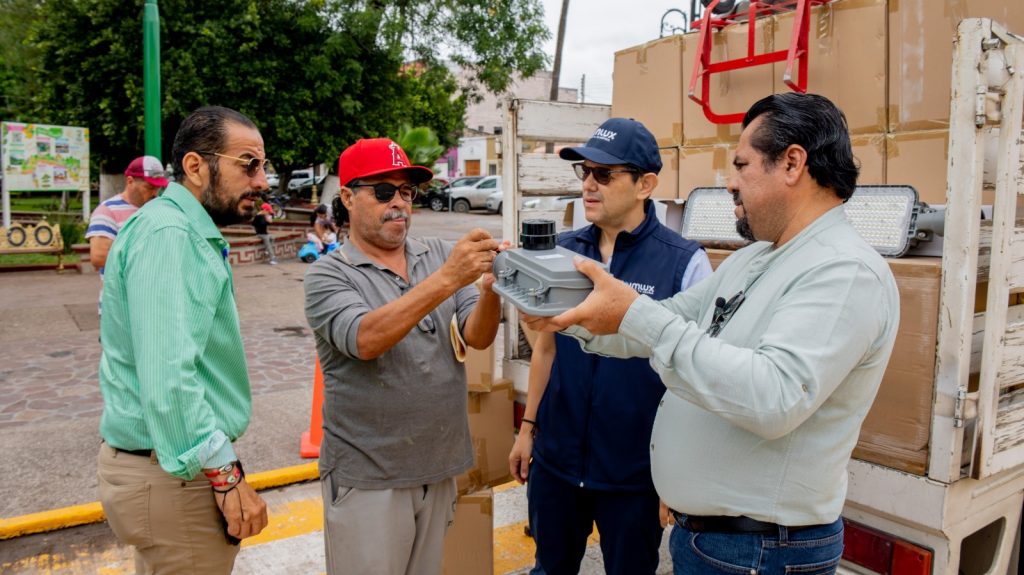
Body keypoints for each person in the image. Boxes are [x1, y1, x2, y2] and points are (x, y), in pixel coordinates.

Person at [525, 93, 900, 575]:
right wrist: (573, 319)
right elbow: (663, 321)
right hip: (720, 543)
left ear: (792, 163)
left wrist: (633, 312)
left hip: (761, 551)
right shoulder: (757, 258)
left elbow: (774, 396)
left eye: (741, 166)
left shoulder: (843, 270)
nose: (729, 183)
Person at [507, 118, 712, 575]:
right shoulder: (562, 252)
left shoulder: (685, 263)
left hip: (634, 476)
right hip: (557, 464)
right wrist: (528, 429)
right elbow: (546, 349)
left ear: (645, 184)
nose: (588, 185)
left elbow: (692, 378)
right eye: (585, 172)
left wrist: (675, 476)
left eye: (604, 174)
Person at [304, 137, 503, 575]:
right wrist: (449, 278)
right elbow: (365, 338)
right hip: (369, 478)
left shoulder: (437, 254)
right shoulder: (328, 275)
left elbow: (478, 336)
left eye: (407, 192)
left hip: (438, 466)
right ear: (347, 198)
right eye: (383, 191)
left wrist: (490, 291)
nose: (398, 203)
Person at [96, 105, 270, 573]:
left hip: (163, 468)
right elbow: (169, 376)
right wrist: (226, 476)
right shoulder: (171, 234)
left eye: (263, 165)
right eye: (248, 164)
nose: (261, 180)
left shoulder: (172, 227)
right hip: (174, 474)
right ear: (195, 166)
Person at [85, 155, 166, 313]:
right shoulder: (107, 211)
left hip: (154, 305)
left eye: (158, 188)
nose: (155, 193)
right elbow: (99, 258)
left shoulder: (158, 208)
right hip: (120, 308)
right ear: (130, 181)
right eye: (149, 187)